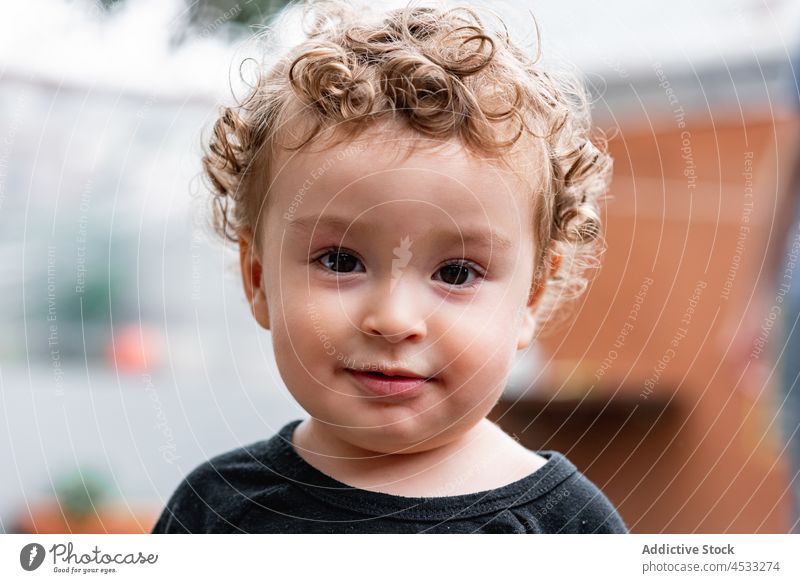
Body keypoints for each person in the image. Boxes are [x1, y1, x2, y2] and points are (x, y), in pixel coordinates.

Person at [151, 0, 626, 533]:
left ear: (530, 298)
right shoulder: (216, 511)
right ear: (258, 278)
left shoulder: (567, 532)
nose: (395, 319)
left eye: (456, 273)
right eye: (340, 261)